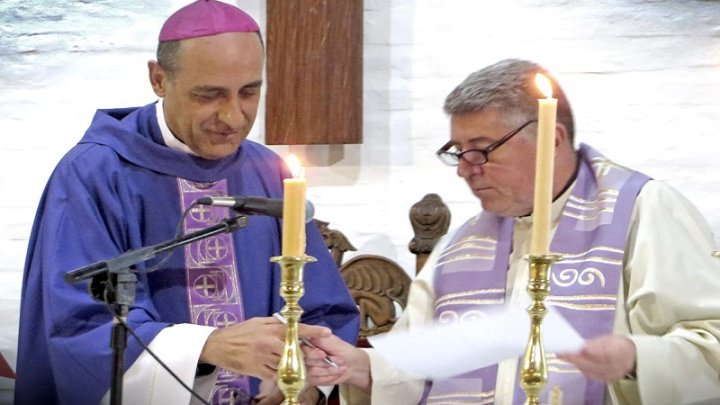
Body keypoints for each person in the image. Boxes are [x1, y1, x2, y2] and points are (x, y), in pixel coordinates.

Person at [301, 59, 720, 404]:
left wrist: (636, 358)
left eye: (481, 149)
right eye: (458, 152)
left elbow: (711, 346)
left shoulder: (642, 210)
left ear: (552, 139)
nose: (466, 168)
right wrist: (361, 367)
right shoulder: (464, 242)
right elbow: (426, 361)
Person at [15, 1, 359, 404]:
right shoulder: (95, 174)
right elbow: (82, 325)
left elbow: (320, 307)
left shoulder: (269, 171)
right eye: (209, 95)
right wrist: (209, 346)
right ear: (159, 79)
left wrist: (303, 379)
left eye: (249, 91)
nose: (233, 117)